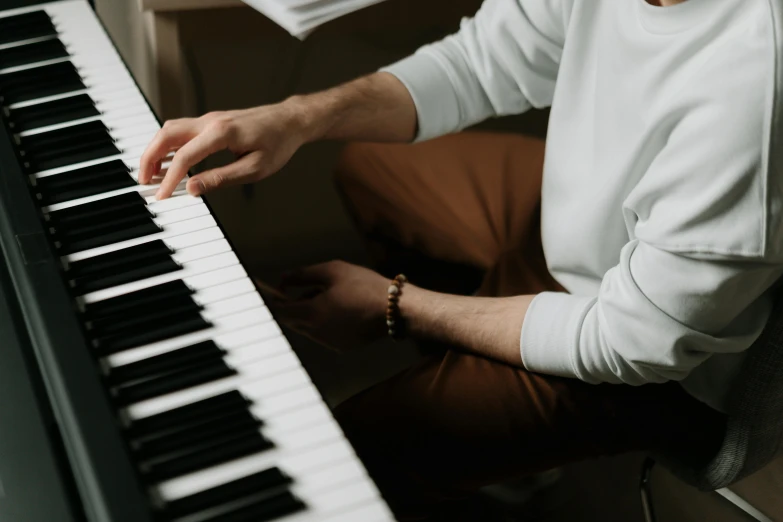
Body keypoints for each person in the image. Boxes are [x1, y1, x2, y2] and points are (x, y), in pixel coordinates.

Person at [138, 0, 781, 519]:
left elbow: (631, 342)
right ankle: (503, 456)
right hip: (583, 237)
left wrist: (397, 306)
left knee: (358, 446)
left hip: (658, 363)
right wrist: (296, 117)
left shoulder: (755, 79)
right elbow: (479, 60)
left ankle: (481, 455)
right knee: (374, 169)